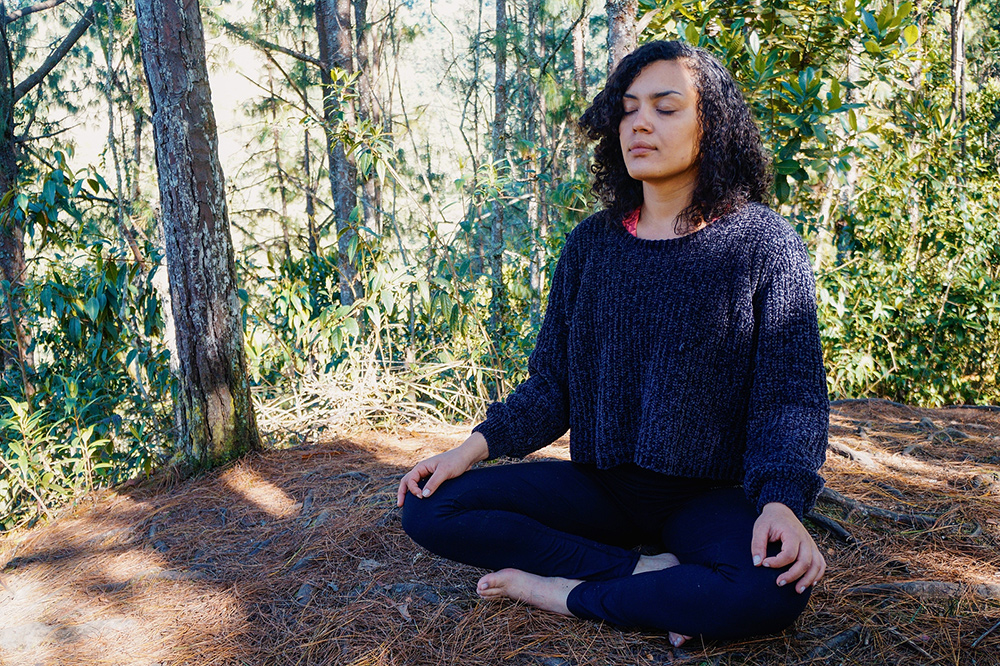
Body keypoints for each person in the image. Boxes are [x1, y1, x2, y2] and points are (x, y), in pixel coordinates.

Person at [396, 40, 828, 647]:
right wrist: (468, 451)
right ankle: (641, 577)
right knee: (430, 506)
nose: (640, 124)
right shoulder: (591, 247)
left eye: (666, 107)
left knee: (776, 588)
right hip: (600, 486)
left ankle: (559, 592)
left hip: (705, 499)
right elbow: (552, 387)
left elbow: (789, 400)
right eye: (627, 110)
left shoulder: (763, 244)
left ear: (713, 126)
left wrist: (782, 503)